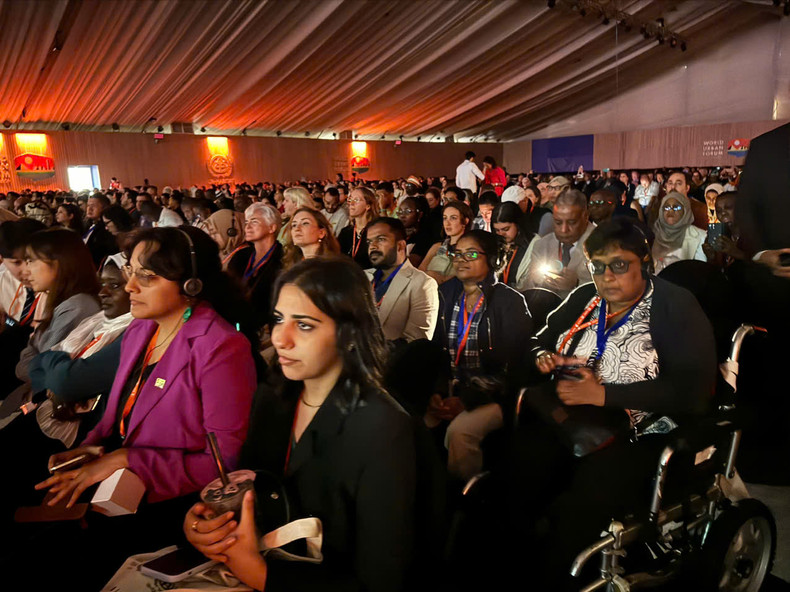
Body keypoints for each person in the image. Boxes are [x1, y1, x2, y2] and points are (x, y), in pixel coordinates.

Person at [183, 257, 416, 592]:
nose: (281, 338)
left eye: (304, 325)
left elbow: (381, 580)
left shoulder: (384, 430)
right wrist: (212, 525)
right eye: (279, 319)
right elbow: (256, 494)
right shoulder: (273, 399)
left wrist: (261, 574)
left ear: (349, 333)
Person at [519, 218, 716, 589]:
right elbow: (536, 339)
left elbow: (694, 390)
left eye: (619, 265)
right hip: (572, 421)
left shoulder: (674, 305)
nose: (607, 276)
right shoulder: (585, 298)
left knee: (577, 506)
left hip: (644, 432)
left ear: (646, 262)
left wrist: (605, 394)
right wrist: (544, 356)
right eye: (597, 266)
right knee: (518, 475)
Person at [429, 230, 532, 480]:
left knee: (460, 432)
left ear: (492, 259)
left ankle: (466, 497)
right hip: (451, 391)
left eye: (472, 253)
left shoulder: (509, 302)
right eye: (458, 253)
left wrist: (466, 399)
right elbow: (435, 351)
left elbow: (514, 368)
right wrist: (436, 391)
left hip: (494, 396)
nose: (462, 259)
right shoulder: (445, 295)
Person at [0, 229, 101, 414]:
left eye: (30, 261)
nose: (26, 270)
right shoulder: (67, 302)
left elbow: (37, 370)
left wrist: (32, 347)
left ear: (59, 263)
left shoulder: (76, 307)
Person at [365, 217, 439, 343]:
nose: (373, 246)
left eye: (381, 239)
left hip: (391, 360)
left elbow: (415, 343)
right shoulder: (363, 277)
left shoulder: (422, 283)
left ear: (400, 245)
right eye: (369, 242)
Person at [521, 189, 595, 299]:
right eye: (558, 222)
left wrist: (577, 284)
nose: (564, 229)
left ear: (585, 216)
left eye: (572, 222)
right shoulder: (541, 245)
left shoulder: (605, 245)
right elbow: (527, 290)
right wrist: (537, 281)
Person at [226, 203, 284, 330]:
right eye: (246, 222)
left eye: (254, 221)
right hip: (236, 323)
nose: (247, 227)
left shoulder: (283, 259)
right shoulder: (240, 256)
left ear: (272, 228)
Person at [419, 201, 473, 285]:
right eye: (445, 218)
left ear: (465, 221)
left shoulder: (471, 249)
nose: (447, 223)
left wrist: (442, 279)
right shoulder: (436, 247)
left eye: (453, 218)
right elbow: (419, 272)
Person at [651, 191, 706, 274]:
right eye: (667, 207)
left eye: (676, 208)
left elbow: (700, 271)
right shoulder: (653, 233)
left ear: (685, 211)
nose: (671, 211)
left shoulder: (700, 236)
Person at [492, 201, 533, 290]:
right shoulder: (498, 244)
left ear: (517, 224)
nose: (501, 234)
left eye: (505, 229)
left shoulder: (535, 244)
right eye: (497, 230)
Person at [338, 186, 379, 269]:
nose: (351, 204)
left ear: (368, 206)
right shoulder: (346, 232)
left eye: (356, 200)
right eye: (350, 200)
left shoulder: (375, 232)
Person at [397, 196, 433, 267]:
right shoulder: (397, 233)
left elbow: (411, 265)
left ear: (420, 214)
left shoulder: (425, 237)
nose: (402, 215)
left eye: (407, 211)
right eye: (400, 211)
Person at [82, 194, 117, 267]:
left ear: (104, 208)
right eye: (88, 205)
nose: (89, 209)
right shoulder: (88, 225)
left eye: (93, 206)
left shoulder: (106, 229)